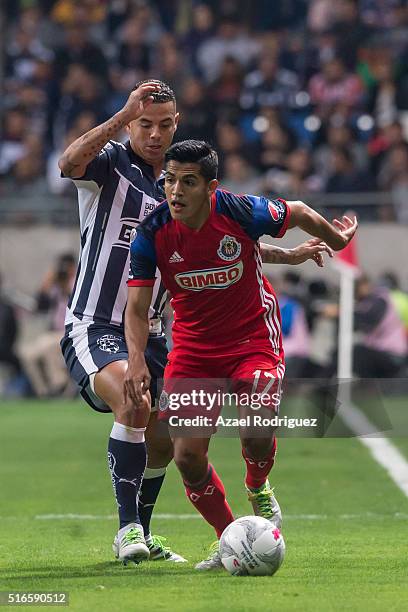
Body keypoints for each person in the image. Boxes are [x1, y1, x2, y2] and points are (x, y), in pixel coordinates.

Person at [57, 80, 328, 566]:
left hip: (156, 331)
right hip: (96, 324)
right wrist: (122, 116)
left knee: (166, 441)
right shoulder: (111, 163)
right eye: (145, 124)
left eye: (164, 124)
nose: (155, 134)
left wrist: (285, 256)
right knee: (135, 404)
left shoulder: (182, 182)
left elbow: (218, 247)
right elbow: (67, 163)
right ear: (131, 123)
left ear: (176, 124)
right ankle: (128, 534)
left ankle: (174, 536)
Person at [125, 140, 357, 570]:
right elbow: (136, 309)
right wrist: (137, 359)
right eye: (169, 180)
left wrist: (336, 240)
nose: (175, 191)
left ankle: (258, 485)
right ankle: (229, 538)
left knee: (254, 433)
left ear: (210, 187)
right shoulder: (152, 232)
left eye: (188, 182)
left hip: (253, 339)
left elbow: (301, 211)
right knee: (187, 458)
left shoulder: (239, 210)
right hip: (194, 352)